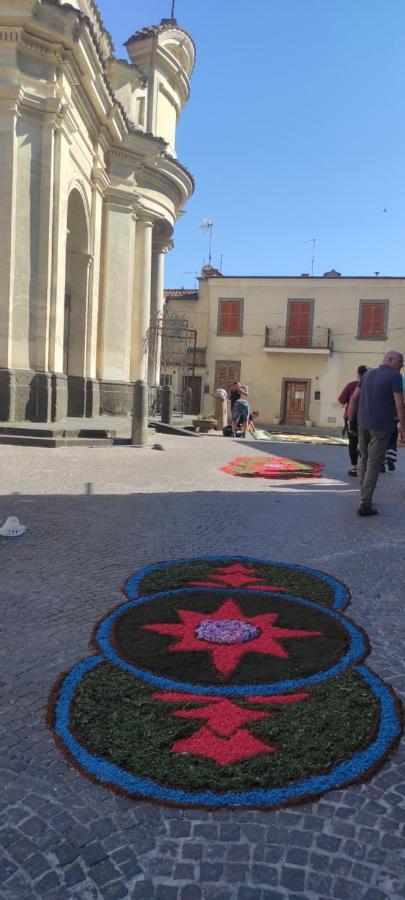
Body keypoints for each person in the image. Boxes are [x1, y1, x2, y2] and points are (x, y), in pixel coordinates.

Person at [347, 350, 405, 516]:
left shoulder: (367, 374)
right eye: (401, 362)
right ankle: (365, 504)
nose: (402, 365)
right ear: (391, 359)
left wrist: (352, 421)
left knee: (364, 460)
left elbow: (354, 398)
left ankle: (364, 496)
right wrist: (403, 429)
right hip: (381, 427)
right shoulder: (395, 377)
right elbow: (400, 405)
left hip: (362, 424)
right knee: (373, 463)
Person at [338, 365, 368, 476]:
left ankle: (354, 468)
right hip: (367, 418)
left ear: (357, 374)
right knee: (366, 442)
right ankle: (366, 466)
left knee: (353, 443)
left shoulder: (351, 385)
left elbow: (341, 400)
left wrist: (344, 405)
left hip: (352, 418)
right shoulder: (371, 385)